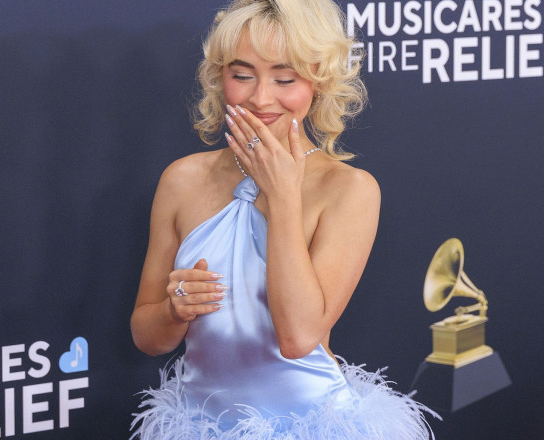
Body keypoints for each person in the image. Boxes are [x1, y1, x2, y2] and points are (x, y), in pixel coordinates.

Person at [130, 0, 435, 438]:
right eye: (242, 75)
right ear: (220, 78)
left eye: (285, 78)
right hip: (199, 425)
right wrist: (175, 310)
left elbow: (297, 338)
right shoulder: (182, 179)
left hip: (314, 427)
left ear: (319, 80)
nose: (260, 97)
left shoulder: (349, 190)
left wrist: (283, 198)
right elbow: (147, 335)